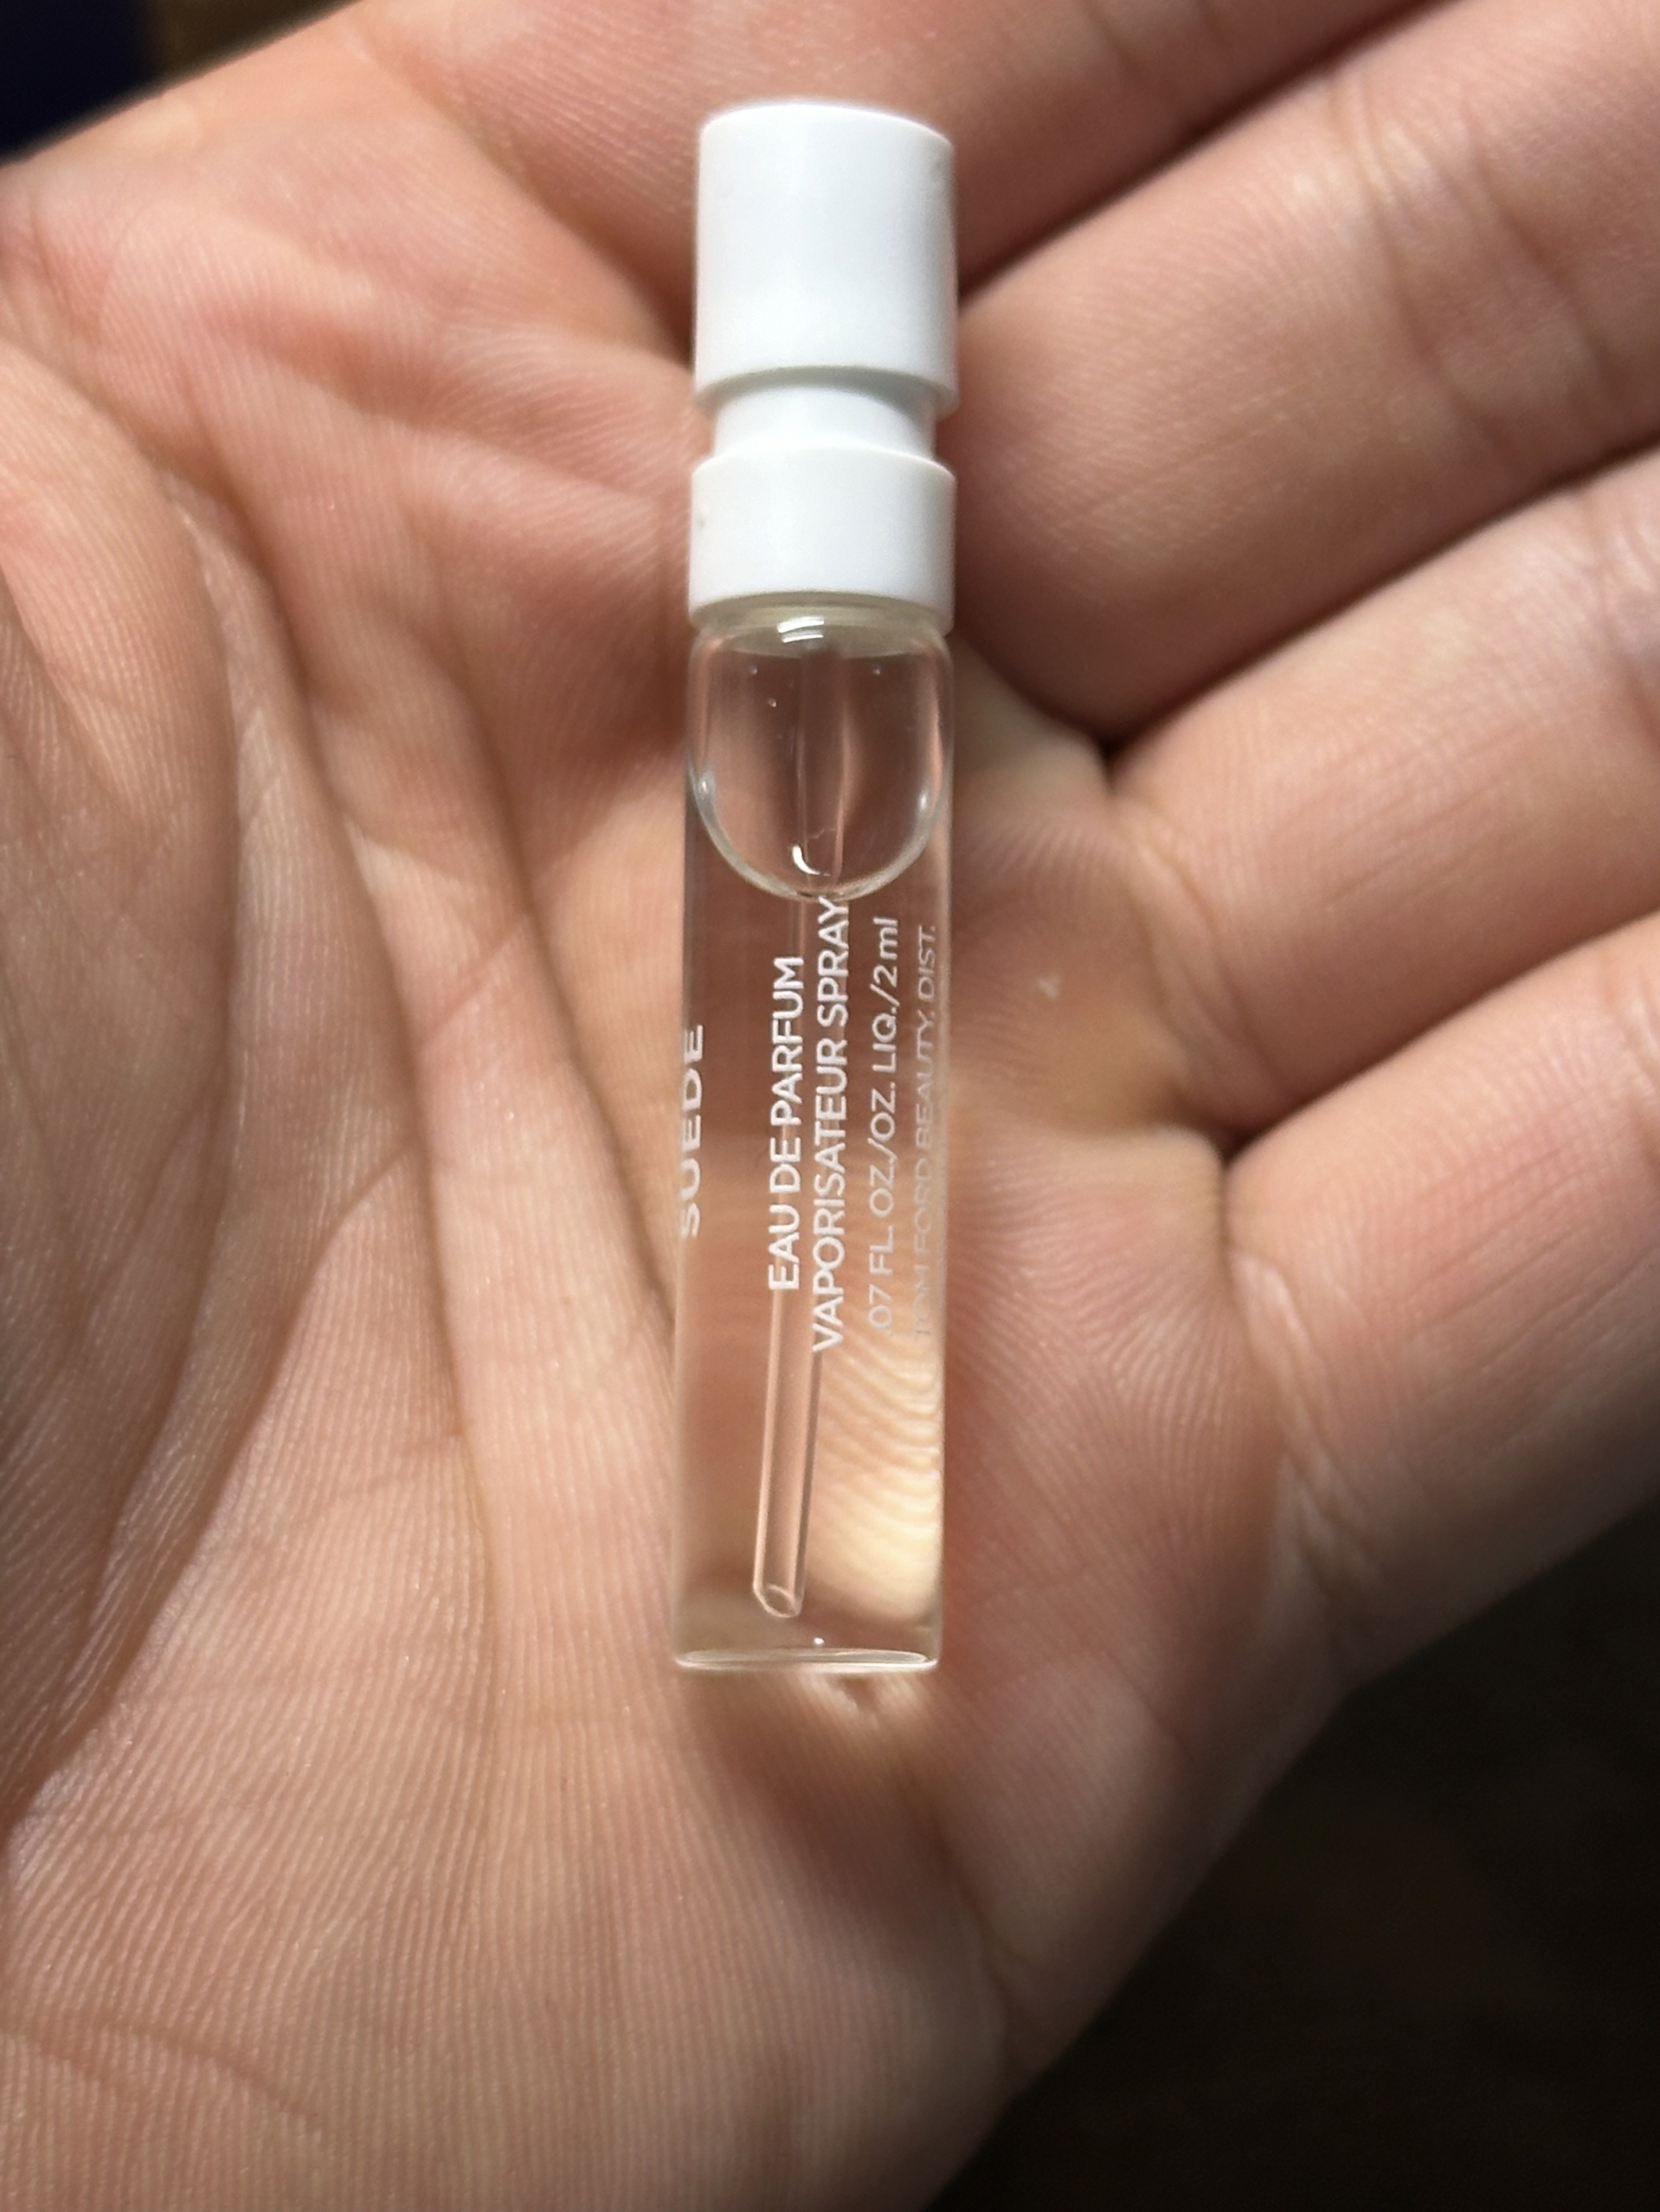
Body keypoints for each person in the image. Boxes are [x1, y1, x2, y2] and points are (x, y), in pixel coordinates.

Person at [2, 0, 1657, 2202]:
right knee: (805, 1065)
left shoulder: (868, 628)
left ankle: (806, 1576)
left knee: (825, 1066)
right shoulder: (775, 615)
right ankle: (782, 1578)